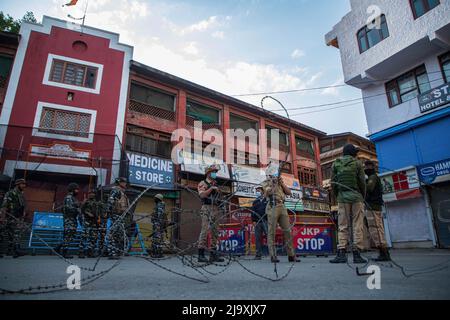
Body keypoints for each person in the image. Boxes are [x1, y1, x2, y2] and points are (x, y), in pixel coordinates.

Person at [329, 144, 367, 264]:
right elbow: (362, 182)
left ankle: (342, 252)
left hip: (342, 197)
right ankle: (357, 253)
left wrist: (338, 195)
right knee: (357, 224)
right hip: (356, 197)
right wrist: (362, 196)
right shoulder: (357, 163)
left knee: (342, 225)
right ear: (352, 153)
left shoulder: (336, 164)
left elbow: (333, 183)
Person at [262, 166, 299, 263]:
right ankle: (273, 255)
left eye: (276, 174)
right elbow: (268, 193)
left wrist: (281, 183)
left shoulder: (280, 182)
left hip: (282, 206)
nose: (275, 176)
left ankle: (291, 255)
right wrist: (273, 183)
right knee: (271, 232)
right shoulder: (265, 182)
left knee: (287, 231)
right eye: (274, 174)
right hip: (272, 206)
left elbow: (289, 193)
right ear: (269, 175)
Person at [197, 164, 224, 263]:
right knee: (204, 230)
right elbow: (202, 195)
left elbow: (220, 197)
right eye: (213, 172)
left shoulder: (215, 183)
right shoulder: (202, 183)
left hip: (216, 208)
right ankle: (201, 254)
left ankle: (213, 254)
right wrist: (211, 189)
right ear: (208, 173)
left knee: (215, 231)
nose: (215, 173)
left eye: (216, 172)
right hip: (206, 208)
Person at [364, 160, 391, 261]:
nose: (365, 168)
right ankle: (383, 251)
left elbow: (369, 188)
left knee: (375, 228)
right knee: (376, 227)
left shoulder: (373, 177)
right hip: (373, 206)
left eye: (367, 166)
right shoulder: (372, 177)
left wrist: (362, 183)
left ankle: (383, 252)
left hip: (373, 206)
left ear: (371, 167)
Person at [0, 179, 27, 258]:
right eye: (23, 184)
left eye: (24, 184)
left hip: (16, 218)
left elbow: (22, 207)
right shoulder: (10, 193)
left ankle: (12, 251)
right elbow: (4, 206)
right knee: (2, 234)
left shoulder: (21, 195)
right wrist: (2, 217)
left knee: (14, 235)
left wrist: (22, 216)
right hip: (8, 217)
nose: (24, 186)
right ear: (17, 184)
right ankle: (13, 251)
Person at [106, 177, 129, 260]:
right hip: (116, 215)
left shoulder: (121, 192)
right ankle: (112, 252)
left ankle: (116, 251)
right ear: (120, 183)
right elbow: (110, 201)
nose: (125, 184)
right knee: (114, 233)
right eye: (124, 182)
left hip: (120, 215)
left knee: (118, 234)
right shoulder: (116, 190)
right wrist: (110, 212)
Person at [59, 183, 81, 259]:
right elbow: (69, 208)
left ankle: (59, 248)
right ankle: (64, 252)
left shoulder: (73, 198)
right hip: (69, 219)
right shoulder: (69, 197)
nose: (77, 191)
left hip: (73, 219)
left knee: (71, 235)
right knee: (68, 235)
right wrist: (77, 210)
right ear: (72, 190)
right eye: (76, 189)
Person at [79, 190, 101, 258]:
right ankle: (81, 252)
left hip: (94, 222)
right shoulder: (86, 202)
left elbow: (98, 212)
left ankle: (90, 251)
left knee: (94, 237)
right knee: (84, 236)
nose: (91, 195)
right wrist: (87, 212)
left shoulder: (97, 202)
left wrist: (98, 218)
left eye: (93, 193)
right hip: (87, 221)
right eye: (90, 193)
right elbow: (81, 210)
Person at [251, 186, 268, 260]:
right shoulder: (255, 201)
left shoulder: (267, 200)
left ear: (262, 191)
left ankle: (273, 254)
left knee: (269, 237)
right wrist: (253, 221)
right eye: (256, 191)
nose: (257, 192)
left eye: (258, 190)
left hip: (266, 221)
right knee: (257, 238)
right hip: (257, 222)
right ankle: (258, 255)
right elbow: (253, 212)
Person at [151, 194, 167, 258]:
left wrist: (158, 225)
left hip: (158, 224)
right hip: (158, 224)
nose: (154, 199)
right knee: (159, 239)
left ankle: (157, 253)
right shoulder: (159, 205)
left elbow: (159, 216)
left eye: (155, 198)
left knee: (157, 239)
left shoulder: (159, 205)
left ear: (158, 199)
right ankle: (159, 253)